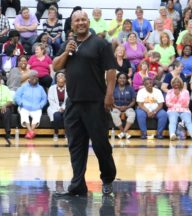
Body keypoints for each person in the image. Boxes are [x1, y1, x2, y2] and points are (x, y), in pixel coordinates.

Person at [53, 10, 117, 195]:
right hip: (73, 103)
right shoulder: (68, 44)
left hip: (96, 102)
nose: (80, 22)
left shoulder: (100, 43)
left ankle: (107, 179)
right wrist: (66, 52)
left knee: (100, 145)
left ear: (88, 22)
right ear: (72, 25)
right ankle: (77, 185)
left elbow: (111, 70)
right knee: (76, 145)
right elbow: (56, 66)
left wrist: (109, 95)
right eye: (76, 20)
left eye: (83, 19)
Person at [15, 71, 47, 139]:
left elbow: (44, 99)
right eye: (33, 76)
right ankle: (31, 131)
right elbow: (17, 96)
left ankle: (30, 132)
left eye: (36, 77)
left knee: (38, 114)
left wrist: (40, 105)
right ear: (29, 78)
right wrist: (21, 103)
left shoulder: (40, 88)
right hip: (24, 106)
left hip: (36, 107)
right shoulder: (23, 87)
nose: (35, 78)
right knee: (23, 113)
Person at [111, 73, 136, 139]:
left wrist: (127, 107)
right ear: (117, 79)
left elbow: (133, 100)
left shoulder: (130, 88)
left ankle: (123, 132)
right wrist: (117, 107)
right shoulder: (113, 88)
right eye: (120, 78)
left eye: (124, 78)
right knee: (114, 114)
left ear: (126, 79)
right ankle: (124, 132)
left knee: (132, 114)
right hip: (116, 107)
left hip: (128, 107)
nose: (122, 79)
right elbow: (111, 100)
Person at [47, 76, 68, 141]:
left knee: (67, 115)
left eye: (62, 82)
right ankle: (56, 133)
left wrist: (63, 108)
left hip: (66, 106)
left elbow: (68, 99)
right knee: (56, 115)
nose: (61, 84)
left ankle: (67, 134)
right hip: (54, 107)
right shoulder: (52, 88)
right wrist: (59, 108)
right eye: (59, 82)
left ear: (65, 82)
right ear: (57, 82)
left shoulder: (68, 88)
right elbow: (51, 100)